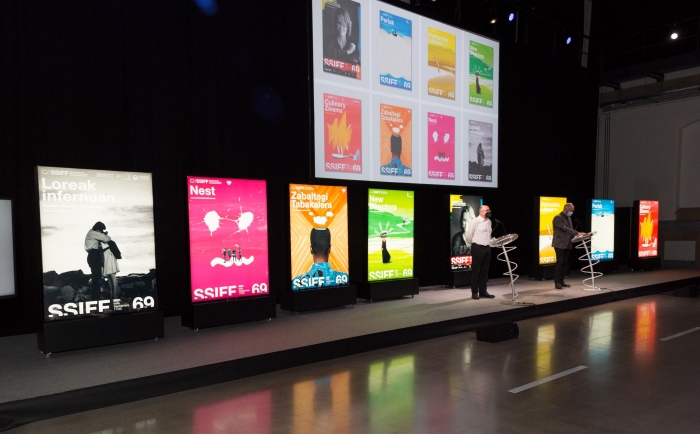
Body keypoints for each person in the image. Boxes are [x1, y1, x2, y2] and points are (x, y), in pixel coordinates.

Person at [552, 203, 586, 289]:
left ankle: (562, 281)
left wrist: (577, 236)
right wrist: (577, 233)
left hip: (568, 243)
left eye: (573, 211)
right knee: (560, 262)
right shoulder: (558, 218)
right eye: (571, 210)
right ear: (565, 209)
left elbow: (570, 230)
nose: (572, 212)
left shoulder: (569, 218)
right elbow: (565, 228)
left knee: (564, 263)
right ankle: (557, 282)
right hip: (560, 243)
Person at [465, 205, 495, 300]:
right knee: (476, 271)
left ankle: (483, 291)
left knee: (484, 271)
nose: (489, 212)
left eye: (489, 210)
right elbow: (469, 235)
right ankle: (474, 292)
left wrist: (491, 243)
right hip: (477, 247)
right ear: (481, 212)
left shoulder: (489, 221)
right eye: (487, 210)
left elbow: (488, 235)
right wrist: (471, 245)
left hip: (487, 247)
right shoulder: (475, 221)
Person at [85, 222, 111, 302]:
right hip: (94, 255)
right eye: (101, 230)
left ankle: (95, 297)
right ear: (98, 229)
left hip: (93, 255)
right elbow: (107, 239)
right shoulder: (94, 233)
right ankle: (95, 298)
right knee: (96, 279)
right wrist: (103, 234)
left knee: (96, 278)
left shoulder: (91, 233)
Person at [102, 239, 120, 306]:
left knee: (111, 274)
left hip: (109, 254)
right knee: (109, 276)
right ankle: (112, 295)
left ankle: (115, 295)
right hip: (105, 255)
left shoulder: (105, 239)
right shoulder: (100, 240)